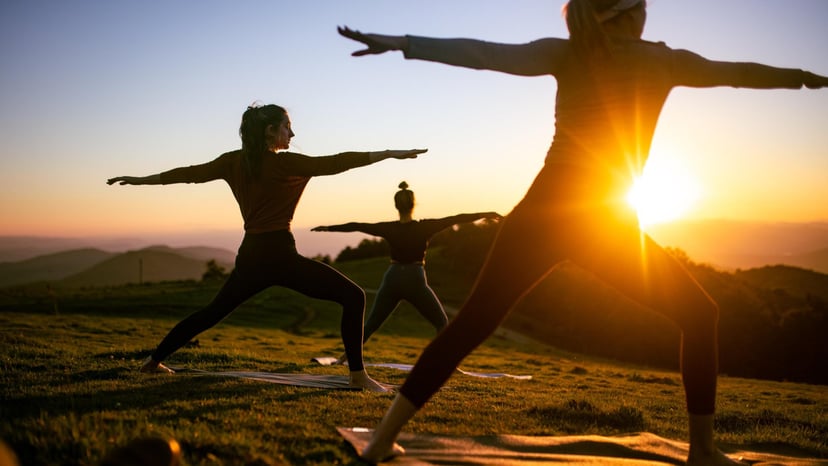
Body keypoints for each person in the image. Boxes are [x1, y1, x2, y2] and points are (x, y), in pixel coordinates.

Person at [337, 0, 828, 462]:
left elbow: (483, 54)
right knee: (700, 314)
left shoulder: (568, 52)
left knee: (472, 324)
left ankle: (381, 440)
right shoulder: (663, 61)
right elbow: (737, 74)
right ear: (632, 14)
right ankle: (702, 452)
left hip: (544, 214)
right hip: (605, 224)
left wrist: (400, 42)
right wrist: (804, 78)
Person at [107, 103, 427, 392]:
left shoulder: (232, 162)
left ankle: (152, 362)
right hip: (278, 254)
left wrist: (139, 180)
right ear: (271, 130)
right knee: (354, 296)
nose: (293, 133)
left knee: (212, 312)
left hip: (251, 255)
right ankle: (358, 377)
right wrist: (388, 154)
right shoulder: (284, 164)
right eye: (287, 126)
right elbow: (336, 163)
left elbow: (189, 175)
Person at [312, 181, 501, 364]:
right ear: (413, 204)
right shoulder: (424, 227)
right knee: (442, 322)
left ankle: (343, 359)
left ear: (396, 205)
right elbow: (456, 218)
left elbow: (357, 225)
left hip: (392, 277)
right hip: (414, 278)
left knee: (370, 325)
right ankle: (445, 363)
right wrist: (486, 214)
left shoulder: (389, 228)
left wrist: (328, 228)